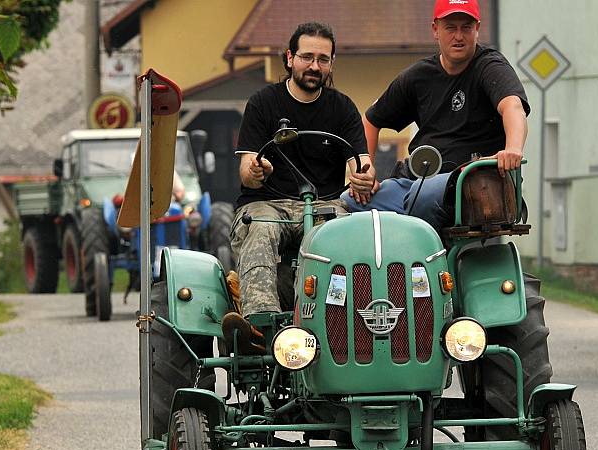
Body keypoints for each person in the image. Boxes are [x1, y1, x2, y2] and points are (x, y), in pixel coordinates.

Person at [227, 22, 375, 345]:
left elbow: (360, 164)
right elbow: (246, 169)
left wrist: (364, 177)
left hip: (323, 204)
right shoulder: (262, 103)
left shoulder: (343, 109)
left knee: (343, 235)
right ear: (290, 58)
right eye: (307, 57)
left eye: (323, 59)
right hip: (267, 203)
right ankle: (259, 327)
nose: (314, 66)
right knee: (261, 228)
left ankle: (338, 321)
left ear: (331, 64)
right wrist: (255, 169)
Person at [343, 0, 530, 230]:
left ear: (477, 29)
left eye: (466, 27)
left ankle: (423, 262)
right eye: (451, 27)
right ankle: (384, 263)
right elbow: (371, 121)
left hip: (470, 182)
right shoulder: (419, 77)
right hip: (416, 179)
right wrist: (366, 170)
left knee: (423, 197)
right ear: (435, 30)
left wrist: (513, 149)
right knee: (350, 202)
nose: (459, 36)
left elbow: (512, 107)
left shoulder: (490, 67)